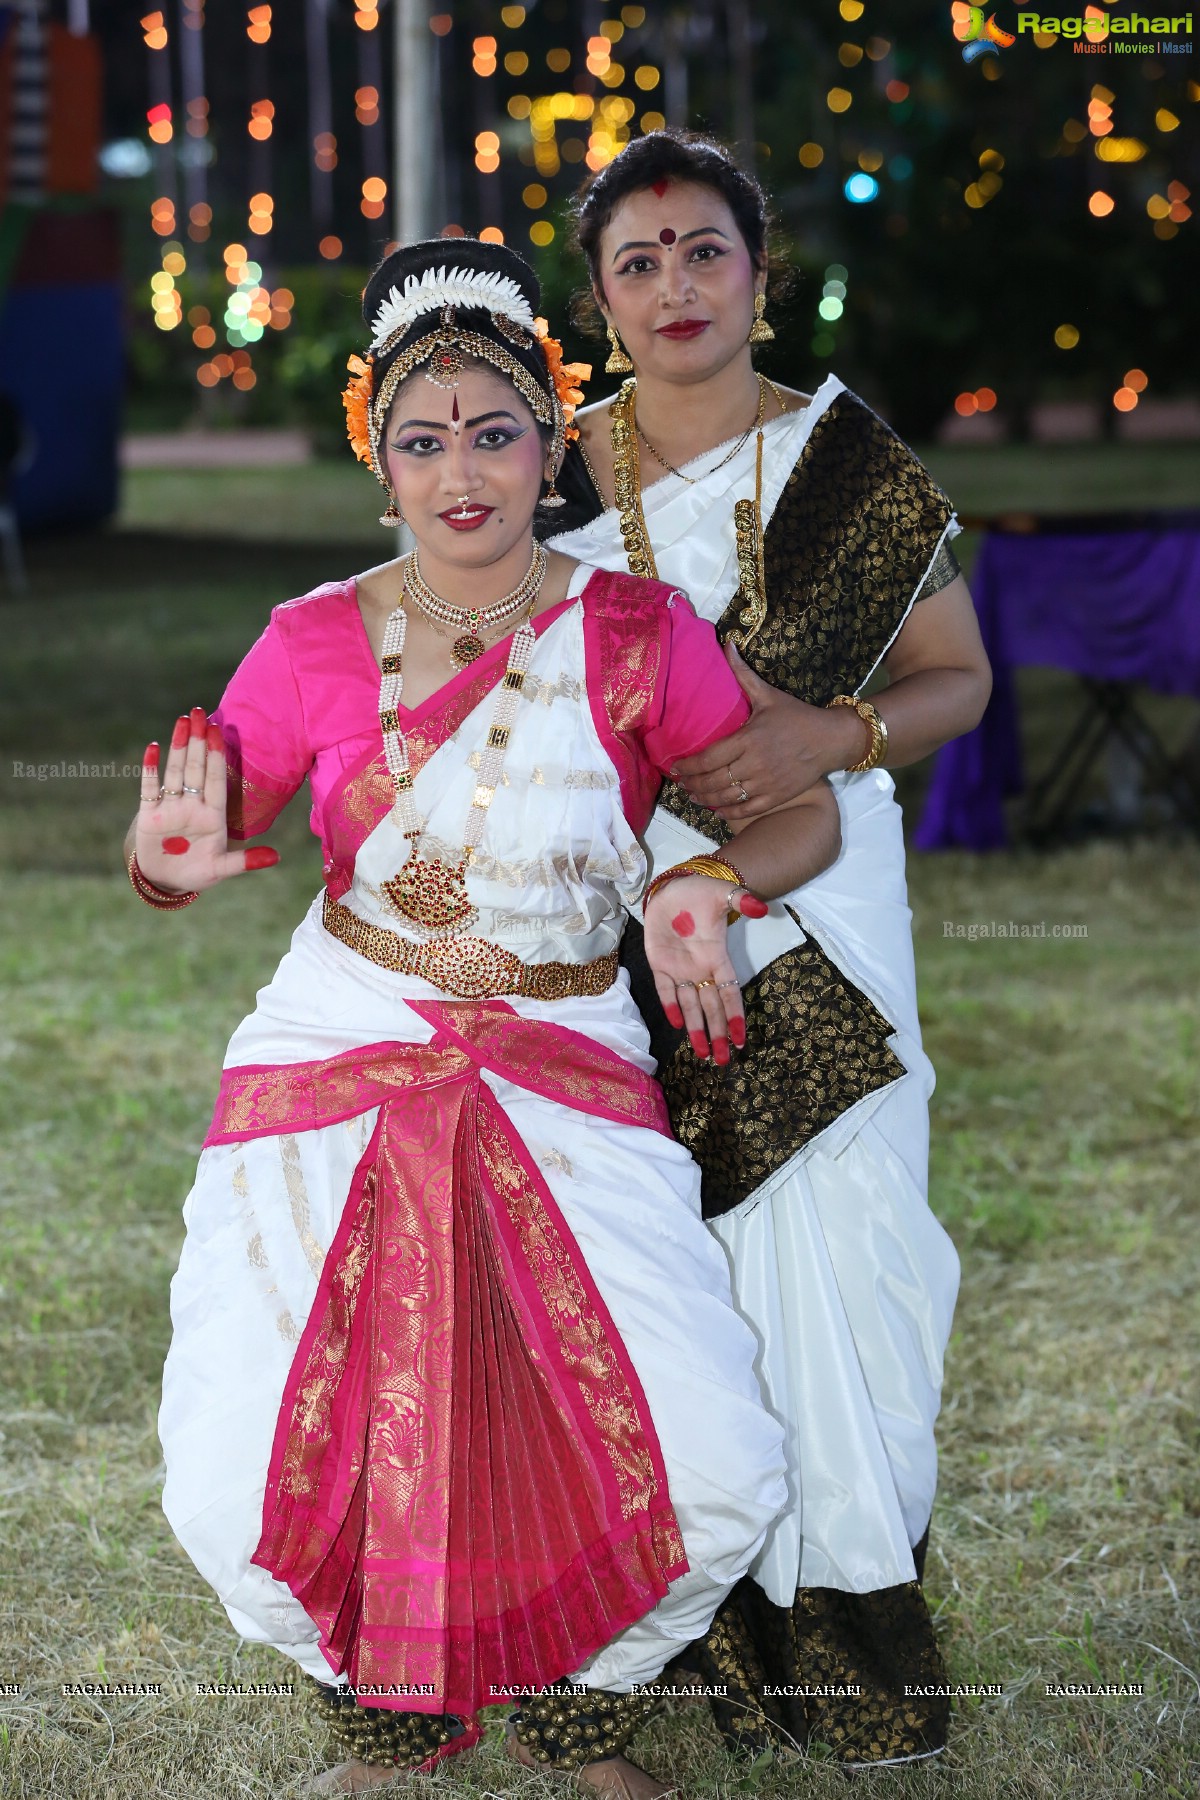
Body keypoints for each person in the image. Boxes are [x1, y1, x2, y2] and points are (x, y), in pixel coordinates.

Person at [131, 239, 844, 1797]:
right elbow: (211, 822)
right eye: (424, 439)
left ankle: (589, 1722)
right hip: (342, 1044)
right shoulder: (311, 639)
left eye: (496, 431)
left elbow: (799, 824)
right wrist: (165, 862)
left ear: (552, 441)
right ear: (378, 461)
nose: (463, 473)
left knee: (709, 1454)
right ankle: (385, 1726)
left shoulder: (638, 635)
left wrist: (704, 881)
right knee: (248, 1447)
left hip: (569, 1055)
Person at [543, 129, 994, 1768]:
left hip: (824, 897)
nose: (675, 285)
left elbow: (961, 679)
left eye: (703, 251)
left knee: (841, 1246)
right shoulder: (548, 469)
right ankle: (681, 1635)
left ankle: (849, 1628)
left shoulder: (853, 465)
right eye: (638, 263)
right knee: (666, 1269)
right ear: (599, 299)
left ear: (760, 268)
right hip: (610, 921)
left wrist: (837, 727)